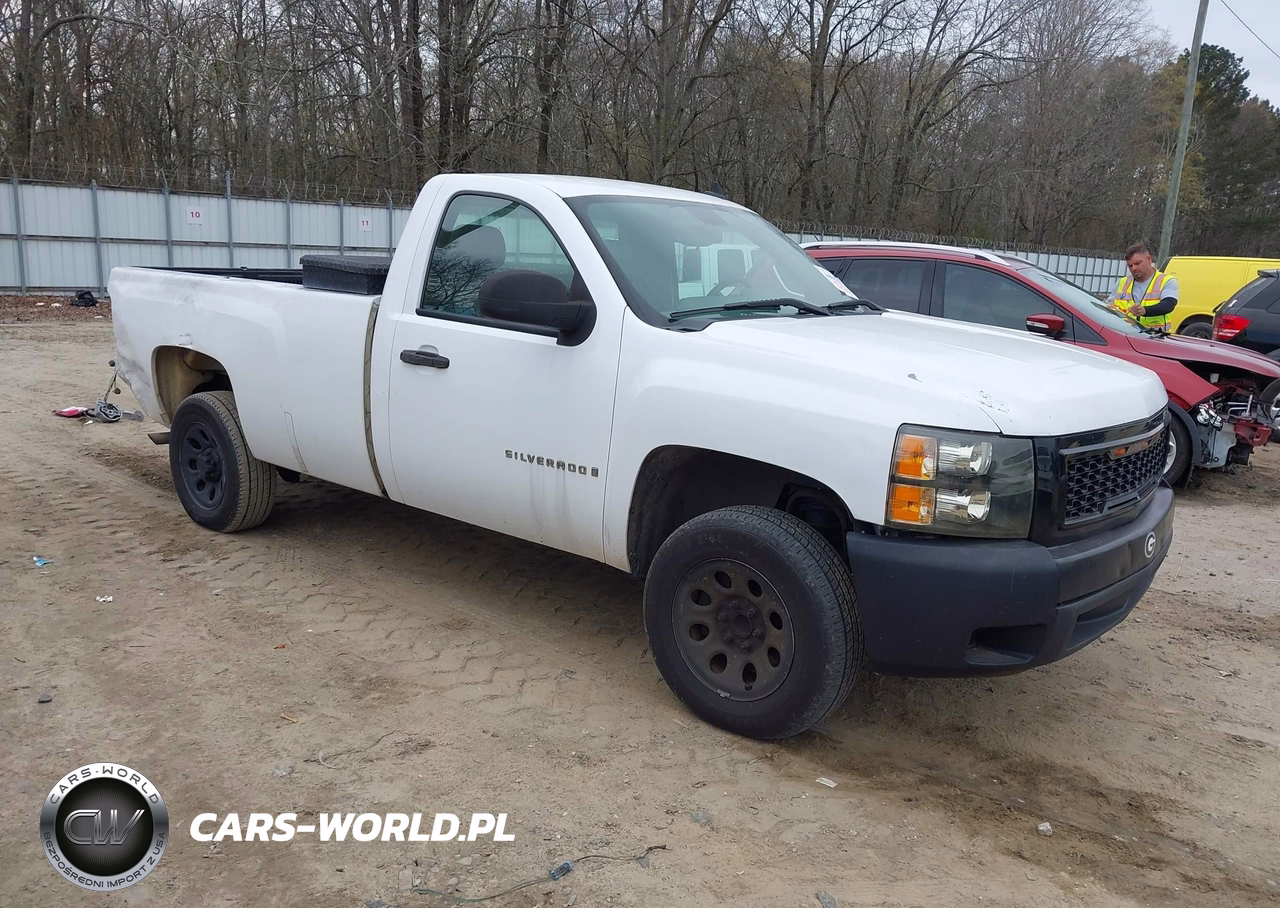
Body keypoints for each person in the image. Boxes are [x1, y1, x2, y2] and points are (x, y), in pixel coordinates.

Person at [1109, 242, 1178, 332]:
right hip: (1125, 336)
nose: (1134, 268)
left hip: (1155, 337)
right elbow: (1109, 308)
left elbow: (1168, 305)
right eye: (1130, 266)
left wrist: (1145, 311)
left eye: (1137, 263)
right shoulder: (1122, 283)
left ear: (1149, 259)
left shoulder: (1166, 281)